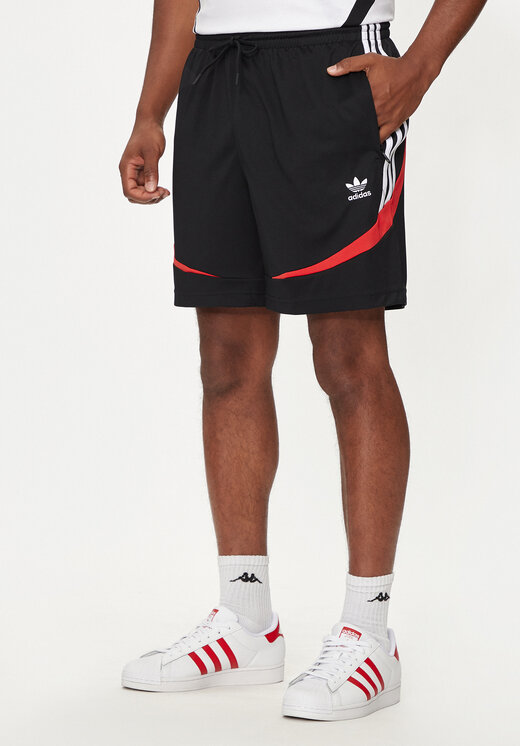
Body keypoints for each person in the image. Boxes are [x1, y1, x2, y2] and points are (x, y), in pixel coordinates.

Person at [119, 0, 486, 721]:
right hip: (215, 74)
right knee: (227, 359)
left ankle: (370, 633)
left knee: (348, 356)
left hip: (332, 65)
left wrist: (419, 68)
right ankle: (246, 620)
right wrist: (150, 113)